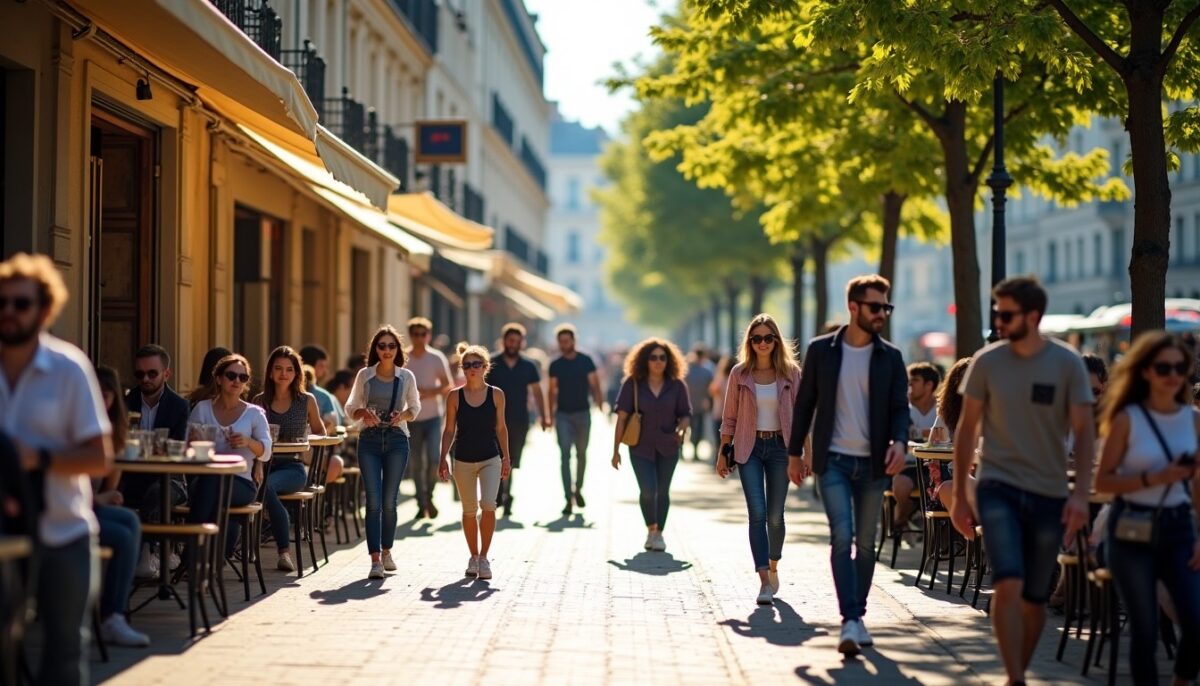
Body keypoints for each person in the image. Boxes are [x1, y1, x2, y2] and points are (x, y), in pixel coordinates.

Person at [949, 276, 1095, 686]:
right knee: (1007, 580)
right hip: (998, 486)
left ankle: (1018, 670)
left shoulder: (1067, 363)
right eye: (996, 311)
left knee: (1035, 598)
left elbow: (1085, 432)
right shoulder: (987, 362)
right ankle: (1015, 677)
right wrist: (961, 494)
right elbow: (966, 431)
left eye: (1006, 313)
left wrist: (1081, 494)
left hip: (1049, 491)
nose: (998, 319)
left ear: (1033, 317)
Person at [0, 253, 114, 684]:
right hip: (3, 534)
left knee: (63, 658)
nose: (9, 312)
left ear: (45, 310)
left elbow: (99, 456)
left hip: (63, 533)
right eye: (2, 303)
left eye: (21, 303)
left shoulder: (68, 369)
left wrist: (39, 458)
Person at [786, 274, 909, 656]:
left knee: (868, 543)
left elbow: (898, 408)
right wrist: (795, 453)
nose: (882, 314)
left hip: (873, 465)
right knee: (842, 537)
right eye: (875, 307)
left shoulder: (891, 356)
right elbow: (805, 404)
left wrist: (901, 443)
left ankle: (857, 616)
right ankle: (850, 619)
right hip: (833, 462)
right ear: (853, 307)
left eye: (886, 307)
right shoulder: (822, 350)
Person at [1093, 332, 1200, 685]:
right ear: (1146, 372)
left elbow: (1197, 482)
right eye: (1163, 367)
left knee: (1195, 621)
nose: (1173, 374)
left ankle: (1180, 681)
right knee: (1145, 630)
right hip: (1131, 526)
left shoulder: (1193, 419)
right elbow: (1104, 482)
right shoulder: (1127, 419)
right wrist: (1155, 478)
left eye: (1180, 367)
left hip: (1178, 527)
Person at [716, 315, 802, 605]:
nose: (762, 343)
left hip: (780, 447)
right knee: (757, 514)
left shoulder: (791, 373)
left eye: (768, 338)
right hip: (748, 448)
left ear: (776, 341)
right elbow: (728, 418)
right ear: (749, 343)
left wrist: (806, 456)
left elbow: (803, 420)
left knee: (776, 517)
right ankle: (764, 580)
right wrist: (722, 452)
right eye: (756, 338)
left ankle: (773, 563)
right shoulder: (739, 374)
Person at [344, 325, 421, 579]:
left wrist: (404, 415)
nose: (387, 350)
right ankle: (375, 559)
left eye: (391, 346)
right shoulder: (365, 375)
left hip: (398, 439)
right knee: (373, 502)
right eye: (382, 346)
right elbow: (350, 407)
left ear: (398, 349)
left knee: (389, 502)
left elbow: (415, 406)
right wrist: (362, 413)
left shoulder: (406, 377)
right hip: (369, 440)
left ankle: (387, 550)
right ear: (375, 349)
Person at [438, 344, 512, 580]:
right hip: (463, 459)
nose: (471, 369)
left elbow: (501, 428)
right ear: (462, 368)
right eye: (467, 365)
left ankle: (484, 557)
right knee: (469, 511)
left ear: (485, 367)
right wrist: (442, 459)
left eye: (476, 364)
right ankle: (473, 556)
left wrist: (507, 457)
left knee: (488, 505)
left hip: (491, 457)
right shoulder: (454, 396)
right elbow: (449, 430)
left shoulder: (497, 394)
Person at [611, 338, 691, 552]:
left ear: (669, 360)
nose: (657, 362)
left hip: (668, 445)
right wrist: (615, 450)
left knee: (663, 490)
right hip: (640, 447)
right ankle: (650, 528)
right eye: (653, 357)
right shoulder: (632, 384)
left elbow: (685, 414)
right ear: (644, 360)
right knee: (648, 490)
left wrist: (681, 429)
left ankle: (659, 534)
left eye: (662, 358)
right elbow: (621, 418)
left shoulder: (676, 385)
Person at [186, 354, 272, 555]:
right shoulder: (202, 409)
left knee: (214, 483)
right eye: (231, 375)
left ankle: (192, 550)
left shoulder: (254, 413)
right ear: (218, 378)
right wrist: (196, 442)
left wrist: (248, 442)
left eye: (243, 378)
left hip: (241, 483)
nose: (236, 381)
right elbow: (186, 445)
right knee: (212, 483)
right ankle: (214, 556)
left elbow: (266, 453)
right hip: (205, 479)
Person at [252, 345, 326, 572]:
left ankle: (284, 552)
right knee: (255, 485)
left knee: (267, 487)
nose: (284, 374)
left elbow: (320, 433)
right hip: (264, 463)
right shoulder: (259, 400)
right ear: (270, 372)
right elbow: (252, 435)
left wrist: (305, 441)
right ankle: (257, 536)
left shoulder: (306, 400)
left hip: (293, 466)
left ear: (297, 373)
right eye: (278, 369)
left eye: (289, 369)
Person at [92, 366, 150, 647]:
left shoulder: (111, 431)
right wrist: (100, 500)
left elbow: (109, 488)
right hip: (64, 509)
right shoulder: (75, 427)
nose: (101, 401)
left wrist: (107, 496)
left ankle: (113, 614)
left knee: (129, 520)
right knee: (123, 534)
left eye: (106, 395)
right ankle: (111, 614)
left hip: (89, 508)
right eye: (95, 394)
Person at [121, 344, 189, 576]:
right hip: (132, 475)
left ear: (166, 374)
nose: (145, 379)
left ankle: (150, 551)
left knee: (156, 493)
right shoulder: (126, 402)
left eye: (152, 373)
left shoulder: (179, 406)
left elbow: (177, 448)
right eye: (140, 374)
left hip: (170, 478)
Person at [485, 323, 548, 518]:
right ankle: (499, 495)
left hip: (520, 419)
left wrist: (544, 416)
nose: (513, 344)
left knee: (510, 458)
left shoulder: (528, 365)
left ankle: (506, 493)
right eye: (510, 340)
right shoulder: (492, 363)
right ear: (503, 341)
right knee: (494, 458)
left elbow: (537, 391)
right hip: (492, 419)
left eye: (517, 341)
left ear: (522, 343)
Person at [549, 324, 605, 515]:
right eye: (561, 341)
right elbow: (552, 390)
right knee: (565, 455)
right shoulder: (555, 365)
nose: (564, 344)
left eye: (567, 340)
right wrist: (549, 414)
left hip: (583, 412)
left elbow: (594, 383)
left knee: (582, 453)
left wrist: (599, 402)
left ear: (574, 340)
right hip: (563, 414)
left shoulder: (585, 360)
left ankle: (578, 489)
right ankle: (567, 498)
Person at [405, 317, 453, 520]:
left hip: (433, 416)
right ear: (410, 336)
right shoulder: (403, 358)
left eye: (422, 334)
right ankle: (420, 502)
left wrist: (429, 392)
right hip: (410, 418)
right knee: (416, 463)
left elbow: (447, 385)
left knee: (434, 459)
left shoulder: (436, 357)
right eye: (415, 334)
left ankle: (429, 496)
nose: (419, 338)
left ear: (428, 336)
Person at [891, 362, 941, 527]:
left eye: (914, 382)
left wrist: (920, 432)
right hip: (909, 465)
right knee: (900, 485)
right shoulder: (902, 409)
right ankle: (912, 512)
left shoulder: (942, 409)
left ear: (929, 385)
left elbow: (945, 434)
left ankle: (904, 517)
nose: (909, 386)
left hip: (938, 465)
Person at [685, 345, 715, 461]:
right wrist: (707, 399)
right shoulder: (707, 371)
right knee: (697, 429)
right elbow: (711, 388)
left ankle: (686, 451)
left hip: (690, 403)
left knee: (688, 427)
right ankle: (694, 451)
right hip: (700, 404)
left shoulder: (686, 370)